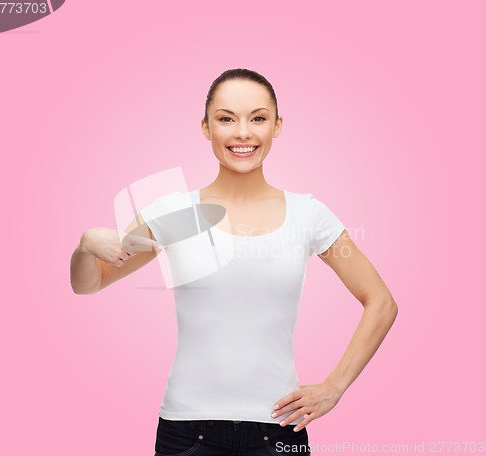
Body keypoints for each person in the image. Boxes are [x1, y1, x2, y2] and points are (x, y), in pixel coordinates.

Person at [70, 68, 398, 456]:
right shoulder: (176, 213)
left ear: (277, 126)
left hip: (278, 430)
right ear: (206, 128)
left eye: (257, 118)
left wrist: (334, 387)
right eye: (226, 119)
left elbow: (381, 302)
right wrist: (85, 246)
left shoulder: (307, 214)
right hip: (186, 430)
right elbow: (88, 283)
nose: (243, 132)